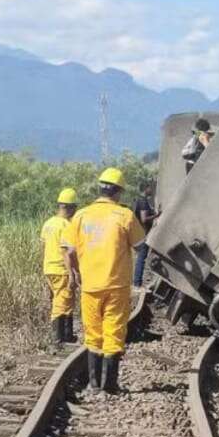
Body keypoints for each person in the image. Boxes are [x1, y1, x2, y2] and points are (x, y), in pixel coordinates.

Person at [60, 168, 142, 395]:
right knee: (114, 331)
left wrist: (74, 272)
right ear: (118, 192)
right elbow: (140, 245)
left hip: (90, 286)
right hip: (117, 285)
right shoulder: (124, 215)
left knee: (93, 333)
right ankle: (111, 385)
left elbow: (68, 250)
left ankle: (94, 385)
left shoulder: (81, 216)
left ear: (100, 189)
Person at [40, 188, 79, 344]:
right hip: (61, 270)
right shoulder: (65, 225)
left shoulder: (48, 223)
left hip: (49, 269)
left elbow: (43, 247)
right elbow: (66, 252)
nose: (75, 211)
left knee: (65, 301)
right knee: (60, 304)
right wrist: (72, 273)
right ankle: (57, 339)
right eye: (74, 207)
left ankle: (67, 336)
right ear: (69, 207)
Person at [131, 182, 158, 288]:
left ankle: (137, 282)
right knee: (141, 258)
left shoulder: (139, 200)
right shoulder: (142, 201)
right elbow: (143, 219)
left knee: (141, 258)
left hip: (140, 234)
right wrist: (157, 215)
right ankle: (137, 283)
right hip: (143, 234)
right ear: (145, 189)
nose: (151, 190)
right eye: (149, 187)